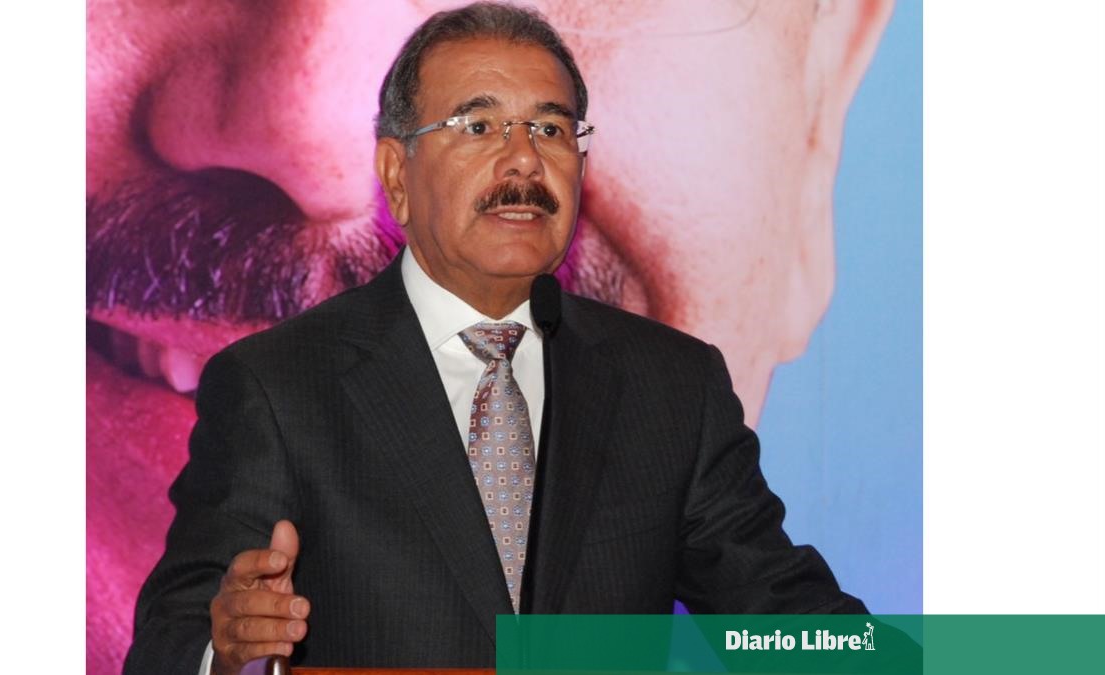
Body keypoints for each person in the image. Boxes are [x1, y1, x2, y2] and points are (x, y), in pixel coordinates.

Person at [119, 3, 871, 673]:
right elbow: (174, 639)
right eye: (475, 127)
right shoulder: (273, 384)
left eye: (549, 129)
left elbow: (787, 619)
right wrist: (227, 651)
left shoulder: (672, 385)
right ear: (397, 174)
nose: (522, 164)